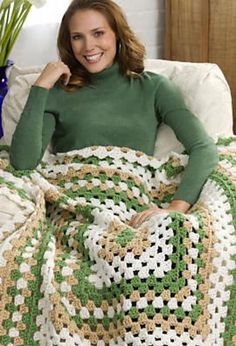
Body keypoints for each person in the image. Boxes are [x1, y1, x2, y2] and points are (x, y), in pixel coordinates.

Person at [9, 0, 218, 228]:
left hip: (129, 207)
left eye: (98, 33)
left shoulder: (154, 88)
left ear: (117, 34)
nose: (88, 46)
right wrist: (40, 88)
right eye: (77, 37)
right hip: (70, 208)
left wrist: (176, 207)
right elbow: (23, 163)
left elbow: (203, 147)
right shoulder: (58, 91)